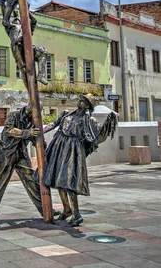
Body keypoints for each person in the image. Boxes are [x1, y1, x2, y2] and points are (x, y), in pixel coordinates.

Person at [41, 93, 117, 227]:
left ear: (88, 105)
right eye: (81, 99)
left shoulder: (88, 120)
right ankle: (67, 209)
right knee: (58, 180)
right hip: (59, 147)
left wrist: (108, 123)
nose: (80, 101)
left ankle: (76, 214)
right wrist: (39, 131)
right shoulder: (66, 114)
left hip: (73, 150)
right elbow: (53, 124)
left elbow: (96, 136)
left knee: (69, 181)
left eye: (84, 100)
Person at [0, 104, 44, 220]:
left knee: (31, 179)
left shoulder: (32, 120)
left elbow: (32, 135)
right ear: (29, 109)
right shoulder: (13, 115)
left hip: (21, 153)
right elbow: (9, 130)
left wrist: (39, 141)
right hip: (7, 152)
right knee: (1, 181)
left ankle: (44, 209)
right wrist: (27, 133)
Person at [4, 10, 48, 89]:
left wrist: (27, 12)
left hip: (29, 50)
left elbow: (34, 21)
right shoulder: (11, 28)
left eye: (18, 18)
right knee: (25, 72)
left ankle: (41, 75)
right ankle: (31, 96)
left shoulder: (25, 28)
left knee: (43, 52)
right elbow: (15, 41)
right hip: (19, 53)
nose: (17, 18)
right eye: (15, 18)